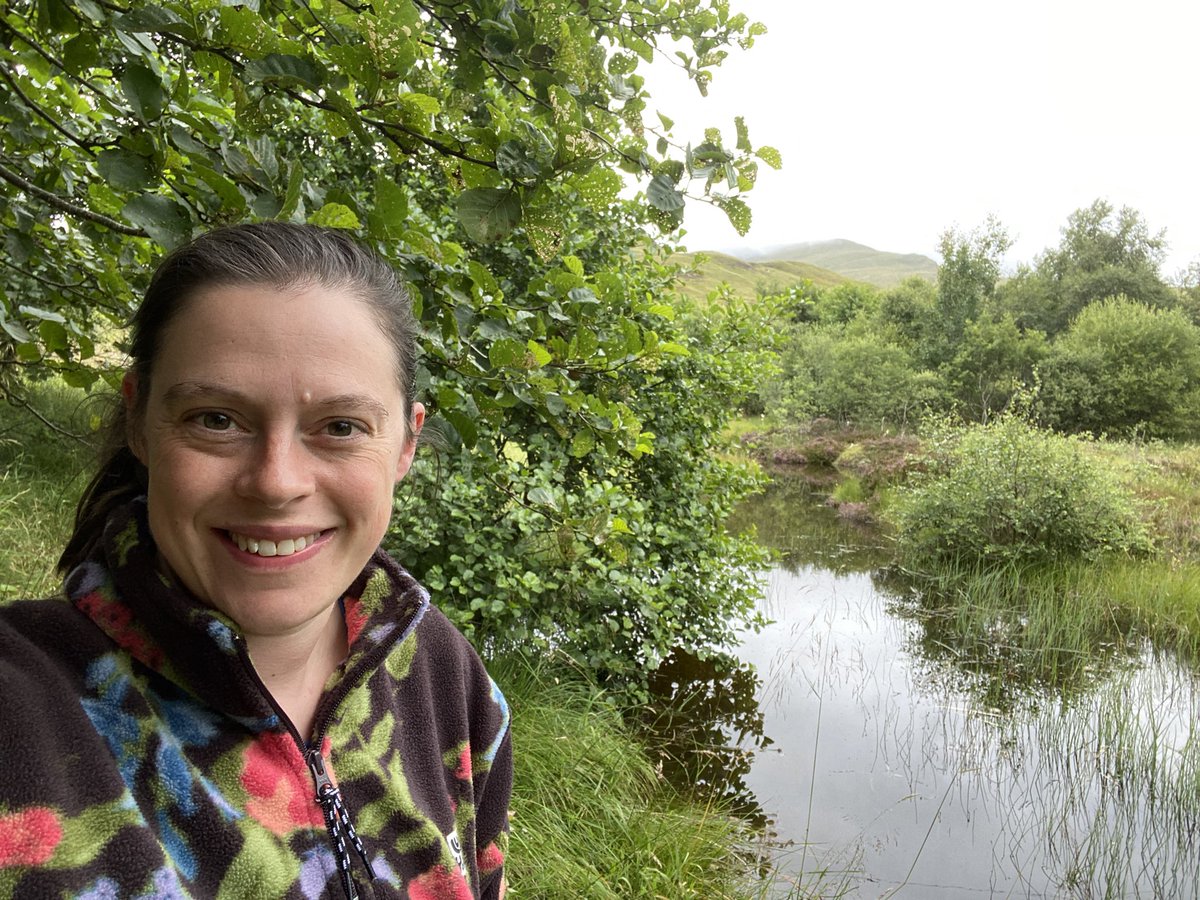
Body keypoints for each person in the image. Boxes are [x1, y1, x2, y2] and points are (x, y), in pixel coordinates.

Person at [0, 223, 511, 899]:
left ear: (405, 446)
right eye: (216, 419)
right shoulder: (25, 709)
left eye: (340, 427)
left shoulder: (442, 671)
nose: (276, 482)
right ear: (140, 423)